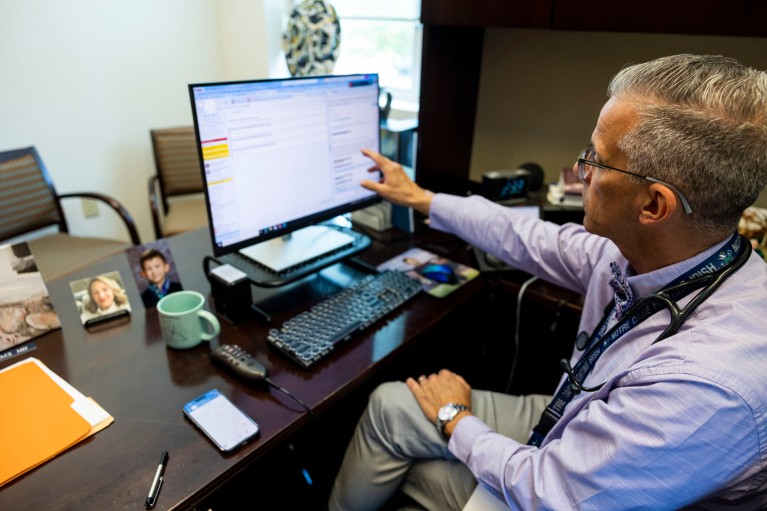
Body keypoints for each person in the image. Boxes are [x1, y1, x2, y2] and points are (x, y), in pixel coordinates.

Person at [329, 54, 767, 510]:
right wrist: (420, 198)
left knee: (421, 470)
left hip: (566, 492)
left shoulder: (707, 386)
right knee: (390, 407)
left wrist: (455, 420)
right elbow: (528, 237)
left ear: (654, 206)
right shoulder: (661, 256)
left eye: (596, 158)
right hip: (571, 424)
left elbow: (551, 493)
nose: (582, 171)